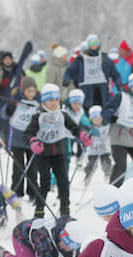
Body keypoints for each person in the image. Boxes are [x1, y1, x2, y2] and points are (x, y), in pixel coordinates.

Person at [25, 83, 88, 217]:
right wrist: (33, 141)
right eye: (50, 100)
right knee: (45, 183)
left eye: (56, 100)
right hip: (43, 156)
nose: (54, 103)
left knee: (63, 183)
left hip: (59, 154)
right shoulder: (38, 116)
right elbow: (28, 133)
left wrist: (82, 135)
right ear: (44, 101)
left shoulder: (62, 114)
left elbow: (74, 127)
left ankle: (65, 211)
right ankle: (39, 211)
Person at [104, 72, 133, 187]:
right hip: (119, 136)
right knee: (121, 166)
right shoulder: (121, 97)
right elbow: (106, 109)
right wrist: (110, 116)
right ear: (130, 86)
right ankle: (113, 191)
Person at [63, 34, 123, 109]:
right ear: (88, 45)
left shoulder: (104, 58)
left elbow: (115, 73)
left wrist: (119, 82)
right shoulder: (81, 59)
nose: (94, 46)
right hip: (87, 94)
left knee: (101, 115)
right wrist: (66, 78)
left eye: (96, 43)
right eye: (91, 43)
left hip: (102, 94)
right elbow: (70, 71)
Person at [82, 105, 112, 185]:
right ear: (91, 119)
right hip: (93, 150)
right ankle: (88, 176)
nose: (97, 120)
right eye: (95, 119)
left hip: (104, 149)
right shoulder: (89, 128)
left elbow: (110, 133)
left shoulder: (106, 126)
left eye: (99, 118)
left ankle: (108, 175)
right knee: (91, 164)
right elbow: (84, 136)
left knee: (106, 162)